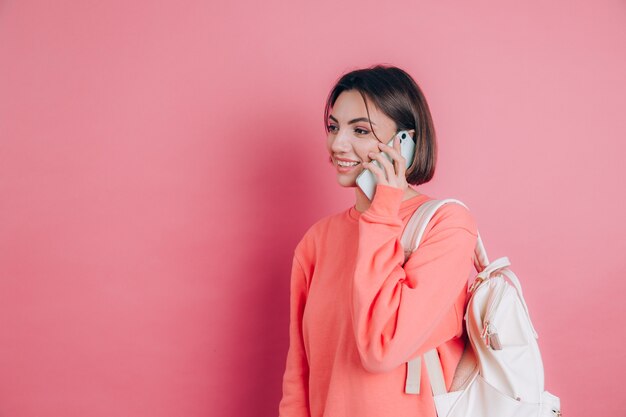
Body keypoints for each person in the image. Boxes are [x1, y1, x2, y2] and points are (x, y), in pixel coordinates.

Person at [278, 64, 478, 417]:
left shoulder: (446, 226)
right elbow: (299, 375)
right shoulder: (316, 241)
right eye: (333, 127)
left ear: (406, 142)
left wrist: (384, 209)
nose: (338, 144)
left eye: (360, 130)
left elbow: (381, 347)